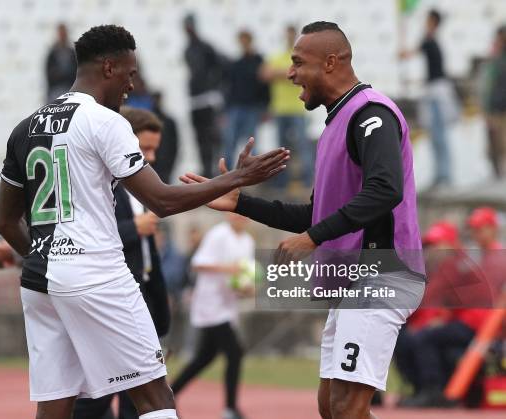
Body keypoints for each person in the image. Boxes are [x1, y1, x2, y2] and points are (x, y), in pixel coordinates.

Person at [0, 25, 288, 419]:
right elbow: (162, 200)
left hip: (39, 282)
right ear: (109, 67)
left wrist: (45, 260)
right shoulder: (105, 122)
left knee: (55, 406)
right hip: (95, 272)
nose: (133, 85)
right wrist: (236, 178)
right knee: (156, 399)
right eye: (130, 74)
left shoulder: (25, 127)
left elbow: (6, 221)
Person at [180, 21, 426, 419]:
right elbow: (315, 215)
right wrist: (241, 202)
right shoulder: (336, 122)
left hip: (383, 274)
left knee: (346, 407)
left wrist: (313, 237)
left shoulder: (371, 114)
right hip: (355, 282)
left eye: (298, 62)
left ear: (330, 63)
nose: (290, 73)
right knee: (331, 407)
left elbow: (385, 190)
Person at [73, 107, 170, 419]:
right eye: (145, 149)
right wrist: (134, 229)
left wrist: (159, 306)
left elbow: (148, 253)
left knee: (138, 398)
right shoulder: (95, 186)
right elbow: (85, 234)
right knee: (97, 397)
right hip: (109, 298)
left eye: (155, 149)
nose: (151, 157)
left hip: (141, 299)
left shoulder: (141, 189)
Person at [170, 213, 253, 419]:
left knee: (204, 357)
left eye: (244, 215)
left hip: (227, 304)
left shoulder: (248, 241)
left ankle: (168, 394)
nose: (240, 218)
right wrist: (228, 268)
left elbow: (244, 275)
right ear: (229, 215)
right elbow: (198, 263)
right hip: (210, 303)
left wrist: (247, 288)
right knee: (235, 352)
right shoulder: (219, 234)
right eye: (237, 213)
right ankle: (230, 409)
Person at [400, 10, 459, 189]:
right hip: (435, 92)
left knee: (439, 136)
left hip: (436, 96)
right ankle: (442, 174)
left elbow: (410, 53)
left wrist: (402, 53)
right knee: (437, 137)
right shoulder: (433, 41)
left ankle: (444, 175)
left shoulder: (429, 40)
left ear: (432, 22)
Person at [260, 25, 313, 190]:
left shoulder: (302, 57)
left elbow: (305, 73)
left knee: (303, 147)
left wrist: (280, 73)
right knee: (282, 149)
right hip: (281, 109)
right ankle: (282, 182)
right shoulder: (280, 56)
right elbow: (265, 74)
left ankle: (308, 181)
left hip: (298, 108)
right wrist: (290, 72)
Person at [183, 14, 226, 178]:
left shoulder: (206, 47)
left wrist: (215, 88)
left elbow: (222, 67)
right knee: (199, 138)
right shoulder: (187, 50)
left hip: (208, 99)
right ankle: (206, 170)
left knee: (212, 137)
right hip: (195, 100)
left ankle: (215, 169)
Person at [222, 30, 270, 169]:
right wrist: (226, 109)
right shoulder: (236, 63)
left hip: (252, 107)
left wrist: (265, 107)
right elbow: (229, 87)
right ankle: (226, 172)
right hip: (236, 107)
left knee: (252, 143)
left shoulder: (259, 61)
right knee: (230, 141)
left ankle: (252, 172)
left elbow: (265, 86)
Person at [481, 26, 506, 178]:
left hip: (500, 107)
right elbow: (488, 85)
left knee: (501, 143)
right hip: (493, 107)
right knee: (493, 144)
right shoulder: (495, 59)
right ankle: (497, 174)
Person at [151, 92, 179, 183]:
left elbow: (174, 145)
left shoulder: (168, 121)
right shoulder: (168, 120)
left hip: (163, 162)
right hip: (162, 162)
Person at [46, 23, 77, 102]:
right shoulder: (53, 53)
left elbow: (76, 72)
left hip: (70, 89)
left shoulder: (72, 53)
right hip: (56, 90)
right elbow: (49, 74)